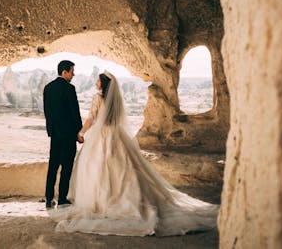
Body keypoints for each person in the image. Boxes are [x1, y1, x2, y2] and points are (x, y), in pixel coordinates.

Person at [49, 71, 218, 236]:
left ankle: (99, 203)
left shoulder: (97, 98)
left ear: (103, 84)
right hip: (115, 136)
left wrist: (81, 133)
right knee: (122, 168)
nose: (96, 82)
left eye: (98, 80)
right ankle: (121, 200)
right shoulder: (113, 100)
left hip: (100, 137)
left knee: (95, 168)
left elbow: (91, 119)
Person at [43, 60, 83, 208]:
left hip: (55, 135)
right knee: (66, 168)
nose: (73, 74)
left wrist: (51, 130)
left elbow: (47, 112)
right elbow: (75, 113)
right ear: (64, 72)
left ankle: (48, 198)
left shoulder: (48, 88)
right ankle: (62, 199)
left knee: (52, 167)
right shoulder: (70, 89)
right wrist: (79, 132)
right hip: (68, 136)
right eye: (72, 71)